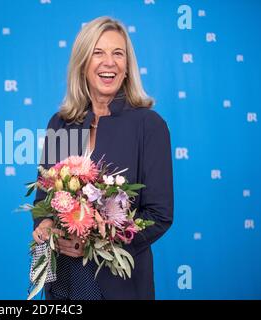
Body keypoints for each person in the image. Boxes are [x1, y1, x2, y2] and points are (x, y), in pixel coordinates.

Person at [31, 16, 174, 300]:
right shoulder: (61, 123)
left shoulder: (149, 125)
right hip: (62, 281)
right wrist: (45, 226)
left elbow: (159, 216)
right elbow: (42, 203)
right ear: (83, 63)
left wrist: (98, 242)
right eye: (98, 52)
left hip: (118, 284)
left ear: (127, 67)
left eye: (117, 53)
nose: (109, 62)